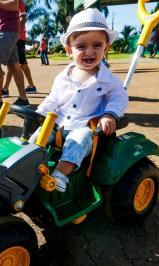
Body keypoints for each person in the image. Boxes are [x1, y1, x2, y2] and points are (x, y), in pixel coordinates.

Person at [29, 8, 128, 192]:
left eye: (97, 45)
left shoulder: (109, 79)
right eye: (81, 46)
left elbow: (118, 97)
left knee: (78, 142)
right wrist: (39, 113)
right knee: (37, 136)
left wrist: (110, 114)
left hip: (85, 127)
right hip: (59, 124)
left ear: (106, 48)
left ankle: (60, 174)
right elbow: (53, 98)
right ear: (69, 50)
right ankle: (27, 165)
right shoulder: (63, 76)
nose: (89, 51)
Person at [2, 0, 37, 95]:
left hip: (18, 38)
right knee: (13, 65)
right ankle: (5, 89)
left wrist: (16, 35)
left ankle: (31, 86)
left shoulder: (18, 1)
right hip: (13, 37)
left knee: (20, 64)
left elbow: (23, 18)